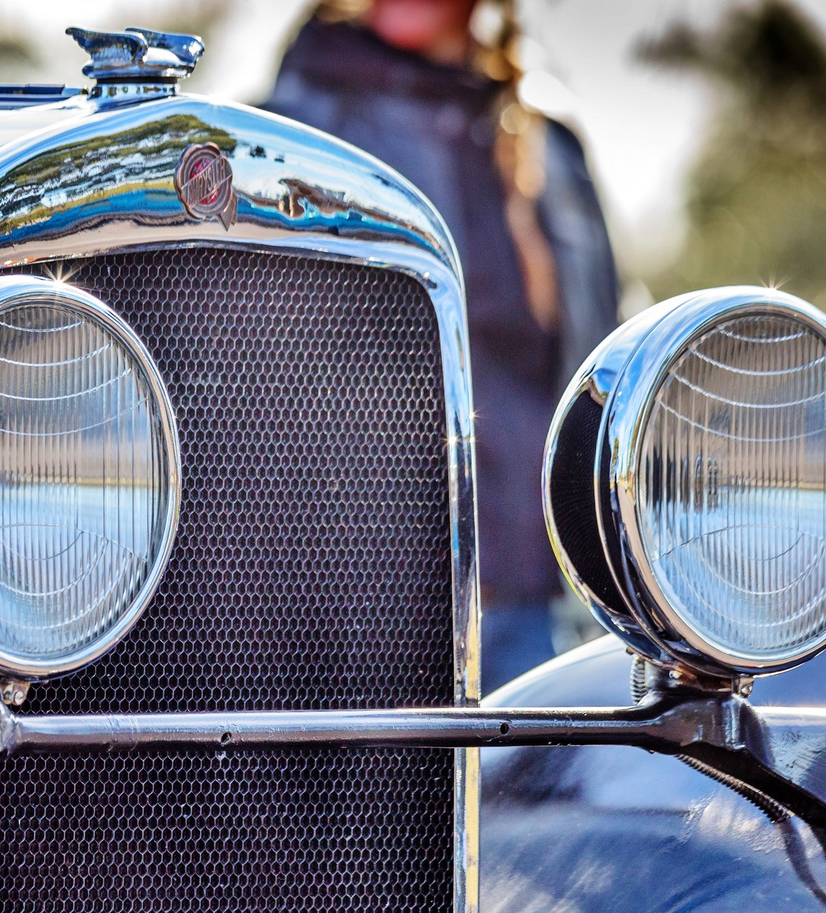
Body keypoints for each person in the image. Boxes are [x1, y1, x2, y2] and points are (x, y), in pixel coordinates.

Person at [264, 0, 620, 691]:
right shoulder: (294, 129)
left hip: (527, 598)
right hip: (348, 610)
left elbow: (595, 365)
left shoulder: (550, 143)